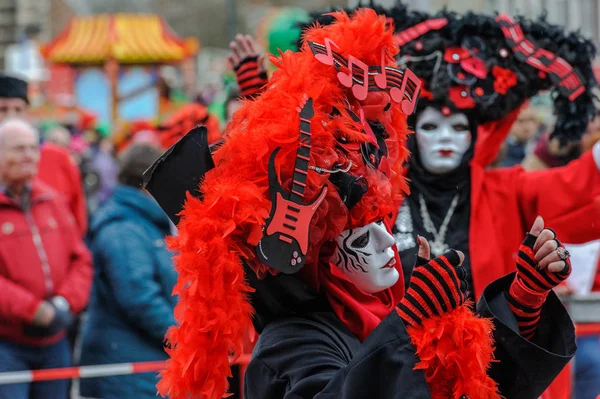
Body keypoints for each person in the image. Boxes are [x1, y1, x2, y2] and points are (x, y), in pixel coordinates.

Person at [148, 10, 576, 399]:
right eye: (360, 235)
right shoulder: (292, 343)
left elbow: (471, 386)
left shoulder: (389, 301)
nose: (388, 240)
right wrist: (408, 324)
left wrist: (522, 299)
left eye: (382, 224)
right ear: (319, 258)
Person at [0, 118, 93, 399]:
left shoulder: (51, 200)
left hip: (56, 340)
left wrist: (65, 302)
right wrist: (33, 310)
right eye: (18, 149)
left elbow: (81, 259)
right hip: (8, 343)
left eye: (32, 148)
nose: (28, 156)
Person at [79, 144, 177, 399]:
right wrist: (181, 338)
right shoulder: (123, 228)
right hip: (125, 367)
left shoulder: (142, 221)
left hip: (142, 359)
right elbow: (139, 297)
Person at [0, 74, 88, 236]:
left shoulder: (58, 158)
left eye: (18, 109)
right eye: (3, 109)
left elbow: (78, 219)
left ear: (27, 113)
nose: (10, 116)